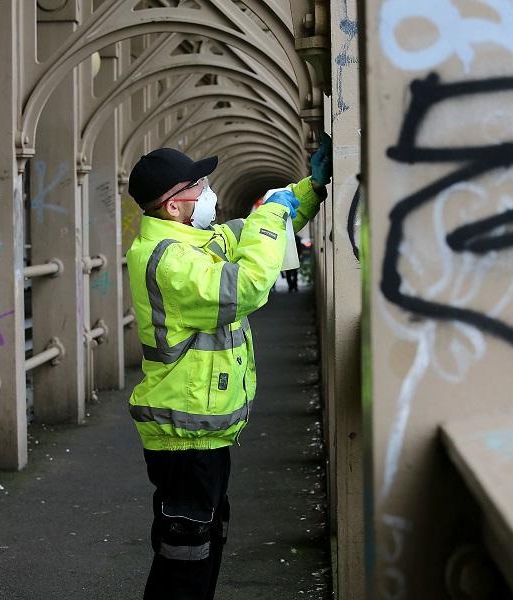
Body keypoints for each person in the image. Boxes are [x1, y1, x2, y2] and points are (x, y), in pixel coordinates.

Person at [124, 137, 332, 600]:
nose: (209, 191)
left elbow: (264, 235)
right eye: (199, 185)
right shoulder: (168, 261)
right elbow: (250, 285)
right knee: (187, 549)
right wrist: (270, 214)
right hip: (184, 432)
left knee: (202, 537)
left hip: (200, 428)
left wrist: (309, 190)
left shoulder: (198, 240)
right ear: (175, 208)